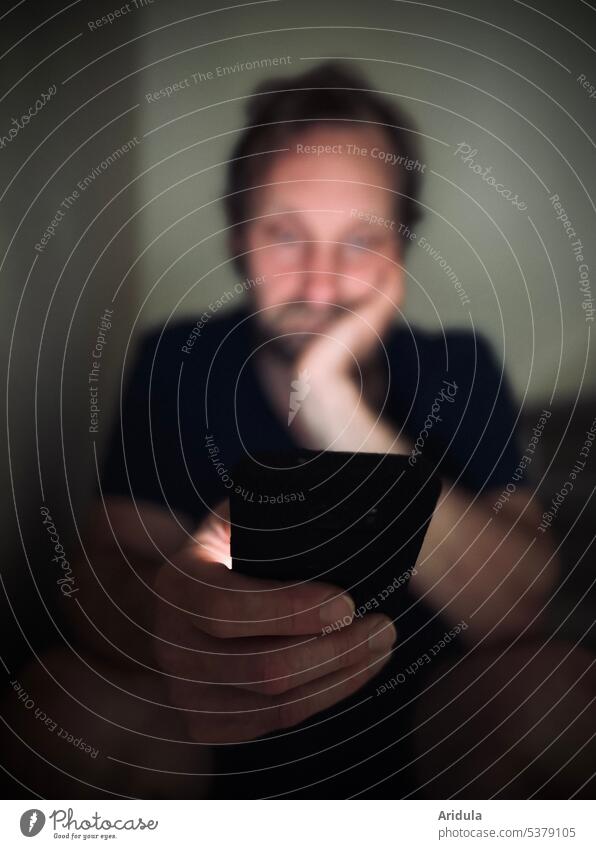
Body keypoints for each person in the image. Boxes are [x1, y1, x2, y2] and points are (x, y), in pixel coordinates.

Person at [5, 62, 594, 799]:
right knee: (66, 703)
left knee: (561, 692)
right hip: (206, 735)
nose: (319, 283)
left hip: (436, 724)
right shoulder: (178, 360)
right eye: (286, 235)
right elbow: (97, 581)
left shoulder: (460, 364)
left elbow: (518, 605)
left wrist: (335, 405)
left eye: (359, 241)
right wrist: (170, 624)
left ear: (402, 251)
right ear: (238, 238)